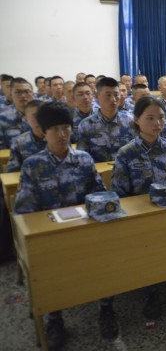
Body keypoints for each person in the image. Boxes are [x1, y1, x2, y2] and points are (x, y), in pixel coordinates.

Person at [14, 101, 115, 349]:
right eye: (55, 129)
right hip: (51, 235)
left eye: (66, 128)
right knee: (48, 270)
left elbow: (100, 194)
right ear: (44, 132)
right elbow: (24, 211)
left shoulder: (84, 159)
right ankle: (55, 319)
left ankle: (106, 308)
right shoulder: (33, 166)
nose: (61, 134)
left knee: (105, 258)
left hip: (85, 230)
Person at [111, 96, 166, 319]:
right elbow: (120, 194)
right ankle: (150, 292)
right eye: (150, 118)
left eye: (161, 117)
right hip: (143, 218)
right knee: (146, 253)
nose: (157, 123)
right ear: (136, 119)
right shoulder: (126, 153)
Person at [77, 77, 135, 162]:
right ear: (97, 96)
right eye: (108, 95)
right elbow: (83, 158)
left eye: (116, 94)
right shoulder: (86, 125)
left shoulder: (130, 121)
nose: (113, 99)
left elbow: (137, 151)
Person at [6, 100, 46, 172]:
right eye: (35, 116)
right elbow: (12, 171)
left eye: (43, 115)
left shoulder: (60, 138)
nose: (40, 120)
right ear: (26, 119)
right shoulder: (19, 142)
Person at [0, 77, 34, 149]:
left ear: (33, 94)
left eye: (27, 91)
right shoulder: (2, 118)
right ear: (11, 94)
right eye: (18, 92)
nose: (23, 95)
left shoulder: (43, 114)